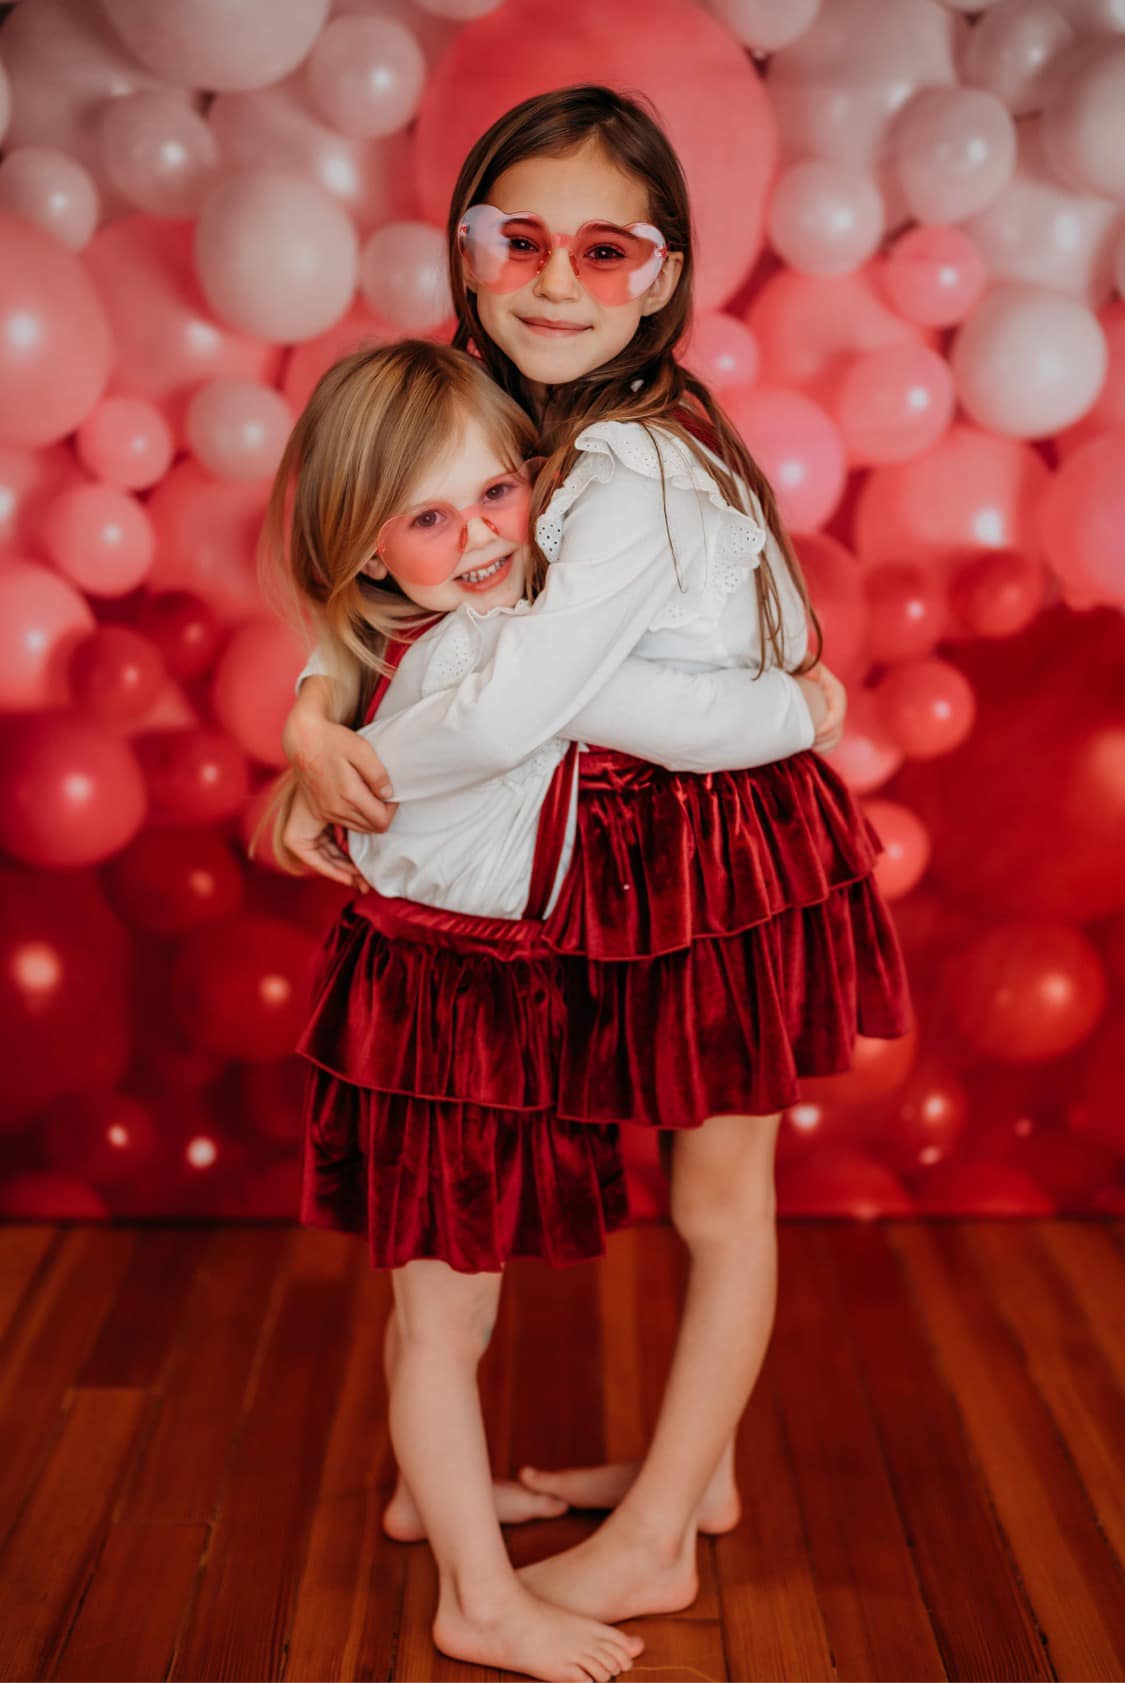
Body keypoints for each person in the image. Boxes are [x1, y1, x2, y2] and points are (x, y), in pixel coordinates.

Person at [282, 84, 911, 1629]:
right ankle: (681, 1475)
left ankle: (664, 1528)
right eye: (521, 240)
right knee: (694, 1187)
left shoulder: (625, 462)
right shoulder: (496, 417)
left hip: (714, 849)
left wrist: (788, 701)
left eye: (607, 250)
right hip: (628, 836)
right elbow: (403, 598)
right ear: (464, 245)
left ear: (671, 270)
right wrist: (312, 714)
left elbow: (517, 697)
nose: (557, 281)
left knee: (717, 1193)